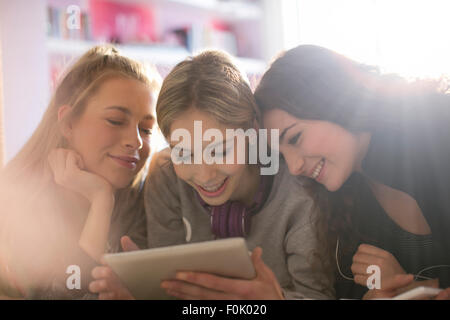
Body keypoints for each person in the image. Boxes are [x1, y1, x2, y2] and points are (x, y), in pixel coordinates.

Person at [89, 50, 335, 300]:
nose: (205, 175)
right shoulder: (166, 177)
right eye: (184, 153)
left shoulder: (298, 193)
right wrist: (142, 291)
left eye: (221, 150)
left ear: (253, 130)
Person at [254, 44, 450, 299]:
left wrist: (415, 288)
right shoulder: (339, 198)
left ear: (334, 100)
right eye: (282, 154)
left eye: (295, 138)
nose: (294, 167)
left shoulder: (439, 131)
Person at [0, 45, 161, 299]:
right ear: (68, 123)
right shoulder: (19, 205)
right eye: (116, 121)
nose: (136, 142)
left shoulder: (143, 201)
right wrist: (100, 199)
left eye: (147, 129)